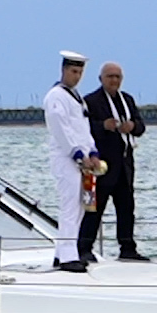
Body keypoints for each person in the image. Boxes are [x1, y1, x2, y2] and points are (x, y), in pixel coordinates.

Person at [81, 61, 148, 261]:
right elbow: (83, 129)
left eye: (117, 77)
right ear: (101, 79)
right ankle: (84, 248)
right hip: (100, 166)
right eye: (110, 76)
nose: (114, 80)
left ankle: (127, 248)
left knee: (127, 209)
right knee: (94, 209)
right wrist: (103, 126)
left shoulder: (127, 100)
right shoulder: (90, 101)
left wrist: (132, 126)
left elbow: (141, 127)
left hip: (125, 166)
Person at [43, 51, 99, 272]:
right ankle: (67, 256)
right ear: (64, 70)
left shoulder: (76, 97)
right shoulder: (56, 96)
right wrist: (77, 155)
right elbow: (61, 130)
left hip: (84, 161)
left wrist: (92, 152)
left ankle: (64, 252)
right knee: (69, 206)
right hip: (67, 159)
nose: (77, 76)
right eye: (73, 71)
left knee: (80, 207)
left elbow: (83, 129)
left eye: (80, 72)